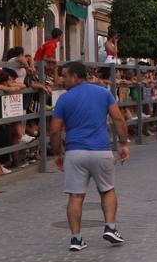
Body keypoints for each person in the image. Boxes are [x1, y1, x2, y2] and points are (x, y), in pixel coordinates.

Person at [50, 61, 130, 251]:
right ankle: (110, 227)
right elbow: (118, 118)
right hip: (101, 150)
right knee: (107, 190)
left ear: (75, 77)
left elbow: (54, 131)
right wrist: (124, 143)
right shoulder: (103, 93)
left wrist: (58, 153)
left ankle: (76, 239)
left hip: (75, 152)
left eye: (64, 76)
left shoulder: (64, 100)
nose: (62, 80)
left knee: (76, 197)